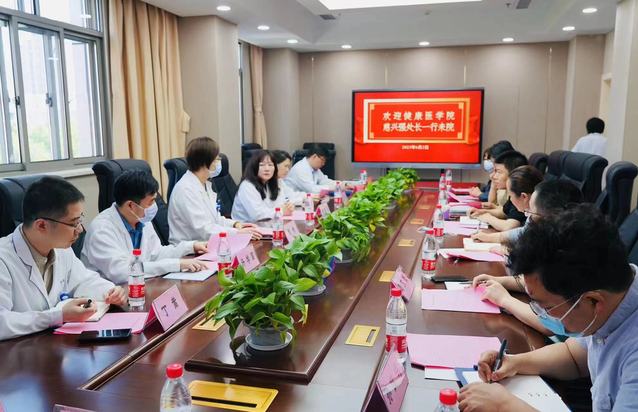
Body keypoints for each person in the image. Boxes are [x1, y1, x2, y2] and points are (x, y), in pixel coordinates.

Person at [459, 205, 638, 411]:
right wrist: (515, 362)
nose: (542, 314)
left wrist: (504, 406)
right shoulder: (609, 300)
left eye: (547, 307)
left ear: (593, 301)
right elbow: (573, 356)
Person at [0, 176, 127, 341]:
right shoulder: (4, 259)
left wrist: (109, 291)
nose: (80, 229)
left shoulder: (61, 249)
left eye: (80, 220)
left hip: (51, 345)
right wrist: (57, 316)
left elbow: (83, 281)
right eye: (73, 223)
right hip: (17, 352)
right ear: (41, 225)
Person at [473, 180, 584, 334]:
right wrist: (500, 281)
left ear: (551, 218)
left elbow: (552, 324)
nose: (528, 220)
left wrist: (505, 300)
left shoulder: (569, 255)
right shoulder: (558, 243)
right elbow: (535, 282)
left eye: (531, 213)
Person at [82, 170, 208, 284]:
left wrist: (190, 246)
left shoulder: (141, 219)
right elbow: (123, 272)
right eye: (151, 201)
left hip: (140, 286)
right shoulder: (101, 230)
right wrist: (176, 264)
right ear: (131, 206)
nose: (154, 206)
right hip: (110, 294)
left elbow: (155, 254)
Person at [168, 136, 261, 244]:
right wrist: (237, 233)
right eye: (216, 159)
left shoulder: (205, 185)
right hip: (190, 249)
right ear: (205, 161)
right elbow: (204, 229)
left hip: (207, 243)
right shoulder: (186, 189)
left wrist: (235, 224)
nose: (219, 163)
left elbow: (215, 219)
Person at [471, 165, 543, 244]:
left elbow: (526, 237)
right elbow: (523, 232)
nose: (511, 200)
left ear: (524, 197)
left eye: (511, 196)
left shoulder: (539, 216)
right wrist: (489, 237)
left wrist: (505, 249)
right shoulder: (534, 209)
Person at [470, 151, 528, 232]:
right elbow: (504, 212)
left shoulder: (520, 193)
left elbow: (509, 227)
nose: (493, 176)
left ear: (514, 174)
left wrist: (488, 218)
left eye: (498, 172)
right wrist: (482, 212)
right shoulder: (513, 192)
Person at [232, 150, 294, 222]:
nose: (267, 169)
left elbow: (281, 203)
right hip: (248, 226)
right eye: (262, 165)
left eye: (270, 165)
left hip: (269, 224)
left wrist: (288, 207)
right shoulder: (247, 186)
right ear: (254, 167)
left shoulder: (271, 182)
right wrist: (281, 210)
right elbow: (257, 215)